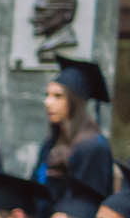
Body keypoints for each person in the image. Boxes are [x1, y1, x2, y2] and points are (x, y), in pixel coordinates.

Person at [37, 56, 117, 200]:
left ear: (75, 101)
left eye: (58, 96)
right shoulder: (52, 142)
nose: (47, 102)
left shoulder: (93, 147)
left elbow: (88, 200)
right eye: (47, 95)